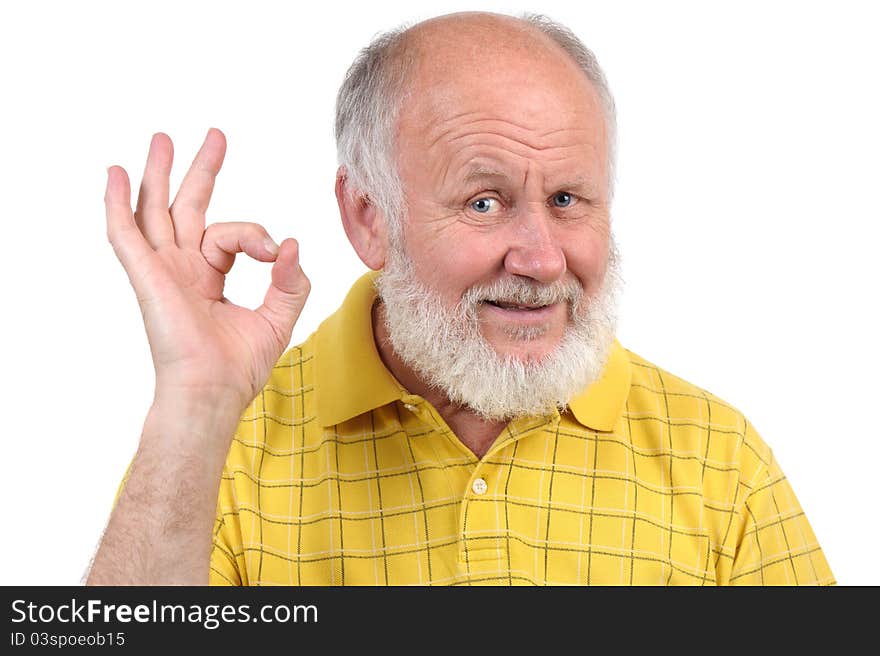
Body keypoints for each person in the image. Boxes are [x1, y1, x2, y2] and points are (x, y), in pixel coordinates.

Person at [87, 11, 834, 586]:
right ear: (368, 217)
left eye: (569, 198)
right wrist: (193, 406)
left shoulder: (717, 459)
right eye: (484, 203)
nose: (542, 260)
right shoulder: (224, 447)